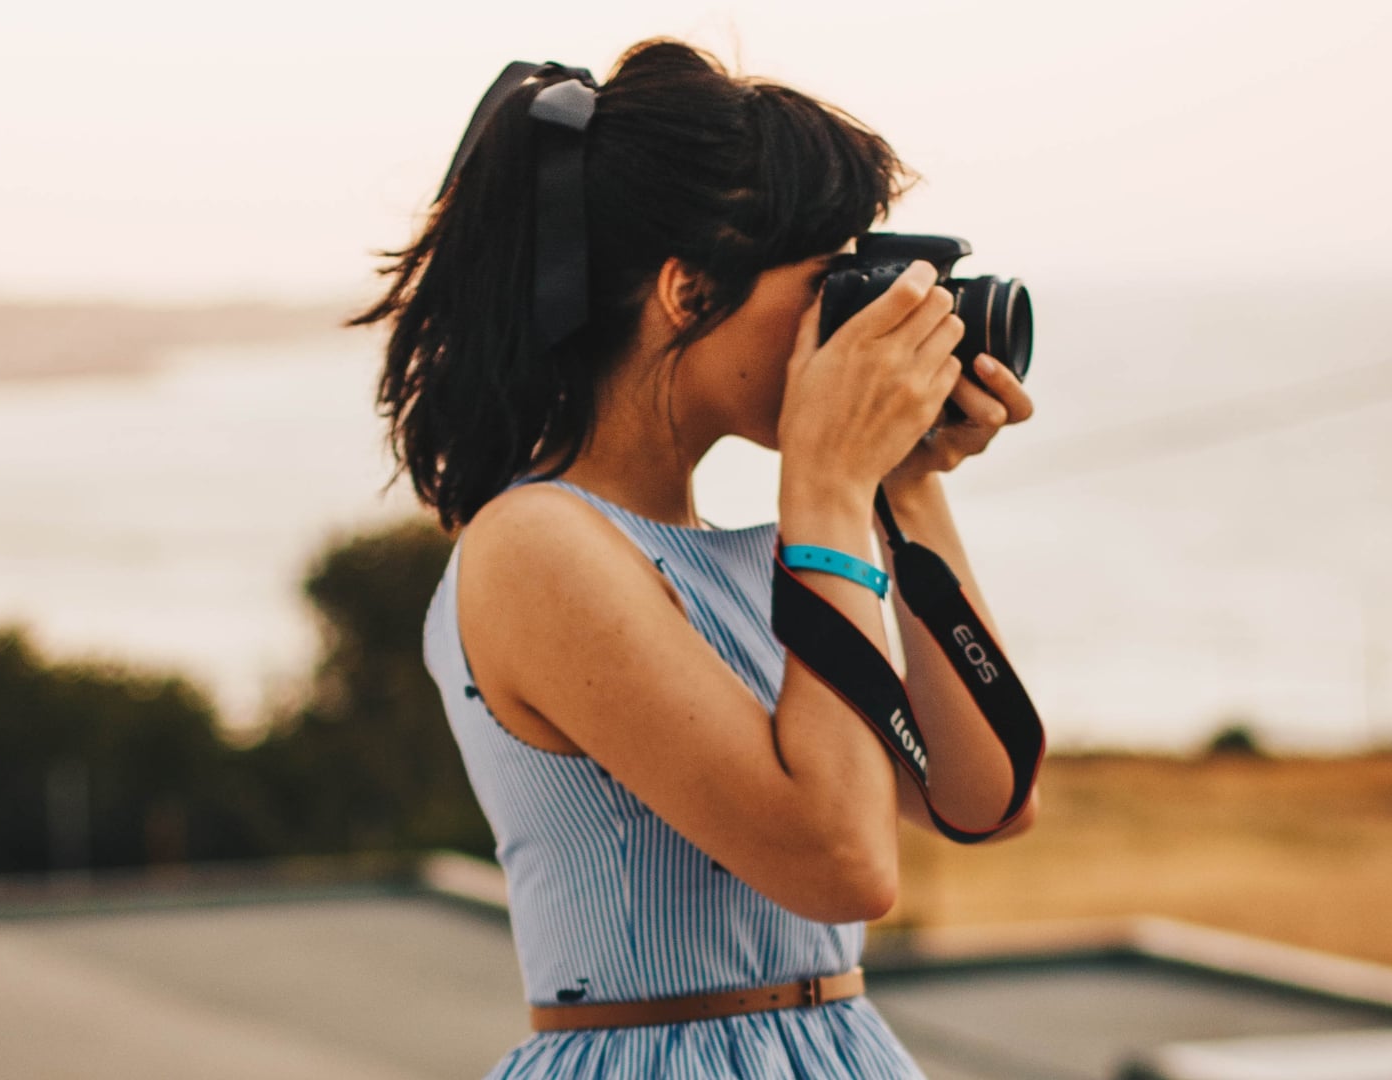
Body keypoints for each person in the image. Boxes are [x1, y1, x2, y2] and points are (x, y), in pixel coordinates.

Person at [355, 38, 1037, 1079]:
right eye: (827, 280)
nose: (855, 319)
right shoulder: (536, 549)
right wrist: (828, 486)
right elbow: (842, 861)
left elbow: (988, 798)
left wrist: (906, 482)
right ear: (688, 291)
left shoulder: (769, 557)